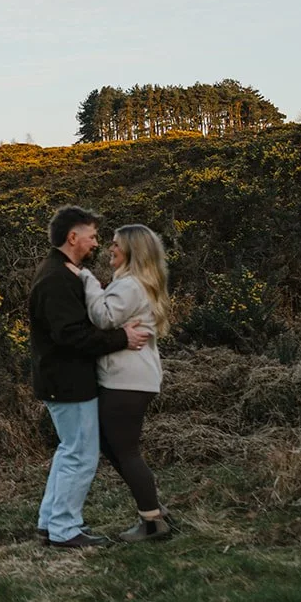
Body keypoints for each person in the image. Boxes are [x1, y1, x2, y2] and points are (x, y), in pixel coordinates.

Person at [29, 206, 152, 549]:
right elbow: (71, 335)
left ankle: (49, 523)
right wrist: (122, 339)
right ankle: (65, 530)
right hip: (67, 381)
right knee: (80, 455)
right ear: (73, 237)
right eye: (93, 236)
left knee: (69, 451)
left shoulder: (62, 272)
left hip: (61, 378)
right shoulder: (57, 279)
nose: (97, 243)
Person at [79, 223, 174, 542]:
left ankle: (152, 523)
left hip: (127, 381)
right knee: (114, 445)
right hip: (132, 378)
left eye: (116, 244)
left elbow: (103, 318)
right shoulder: (135, 284)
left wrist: (88, 281)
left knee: (126, 450)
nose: (110, 248)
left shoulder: (131, 285)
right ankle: (155, 511)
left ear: (132, 250)